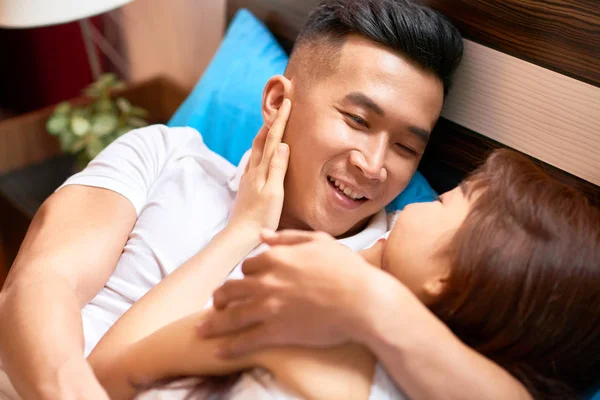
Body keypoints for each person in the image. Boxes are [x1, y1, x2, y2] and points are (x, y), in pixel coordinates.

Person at [0, 0, 531, 399]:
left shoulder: (396, 259)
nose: (373, 164)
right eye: (357, 120)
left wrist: (383, 305)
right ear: (279, 101)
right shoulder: (165, 155)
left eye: (406, 145)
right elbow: (40, 286)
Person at [88, 148, 600, 400]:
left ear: (446, 280)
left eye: (444, 200)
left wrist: (367, 293)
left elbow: (107, 372)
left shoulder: (300, 324)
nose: (405, 206)